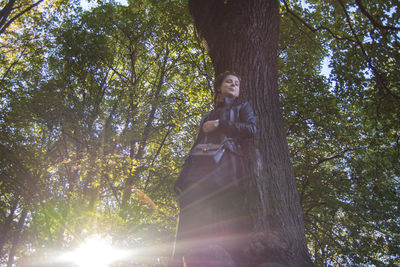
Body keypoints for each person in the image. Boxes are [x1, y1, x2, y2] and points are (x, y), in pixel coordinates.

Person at [170, 71, 257, 267]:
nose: (233, 85)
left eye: (236, 83)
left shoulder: (243, 107)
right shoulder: (207, 115)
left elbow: (251, 129)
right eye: (228, 81)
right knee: (189, 206)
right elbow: (197, 143)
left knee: (224, 213)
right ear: (219, 87)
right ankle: (179, 260)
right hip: (199, 168)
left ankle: (224, 259)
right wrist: (183, 175)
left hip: (227, 166)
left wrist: (220, 124)